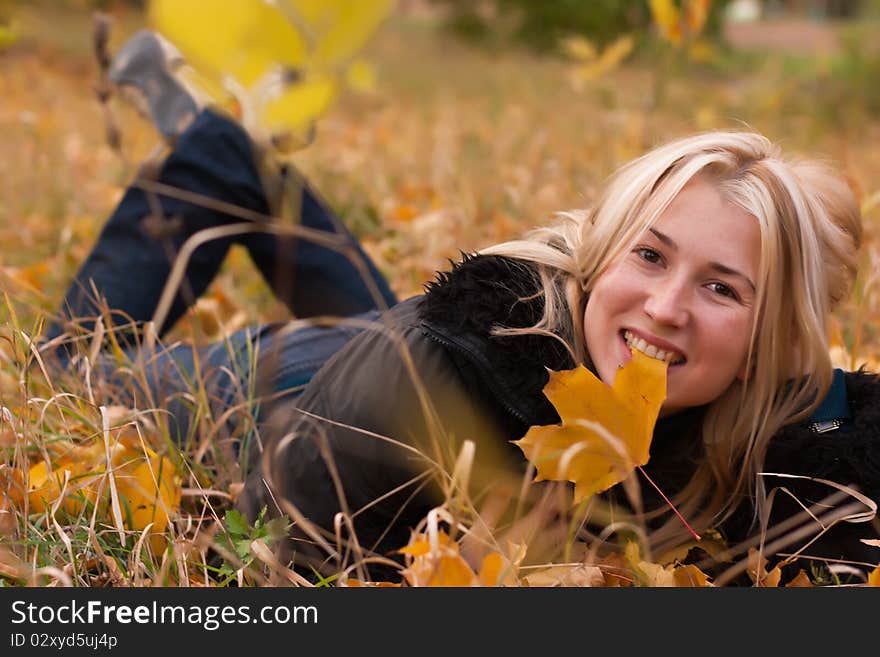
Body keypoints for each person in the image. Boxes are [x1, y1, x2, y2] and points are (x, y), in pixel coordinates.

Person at [44, 31, 880, 585]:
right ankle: (217, 146)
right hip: (292, 394)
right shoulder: (424, 370)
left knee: (403, 334)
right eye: (650, 254)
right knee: (67, 370)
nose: (666, 307)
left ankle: (232, 152)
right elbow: (277, 559)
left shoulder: (785, 431)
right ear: (603, 250)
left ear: (775, 335)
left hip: (410, 352)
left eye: (721, 285)